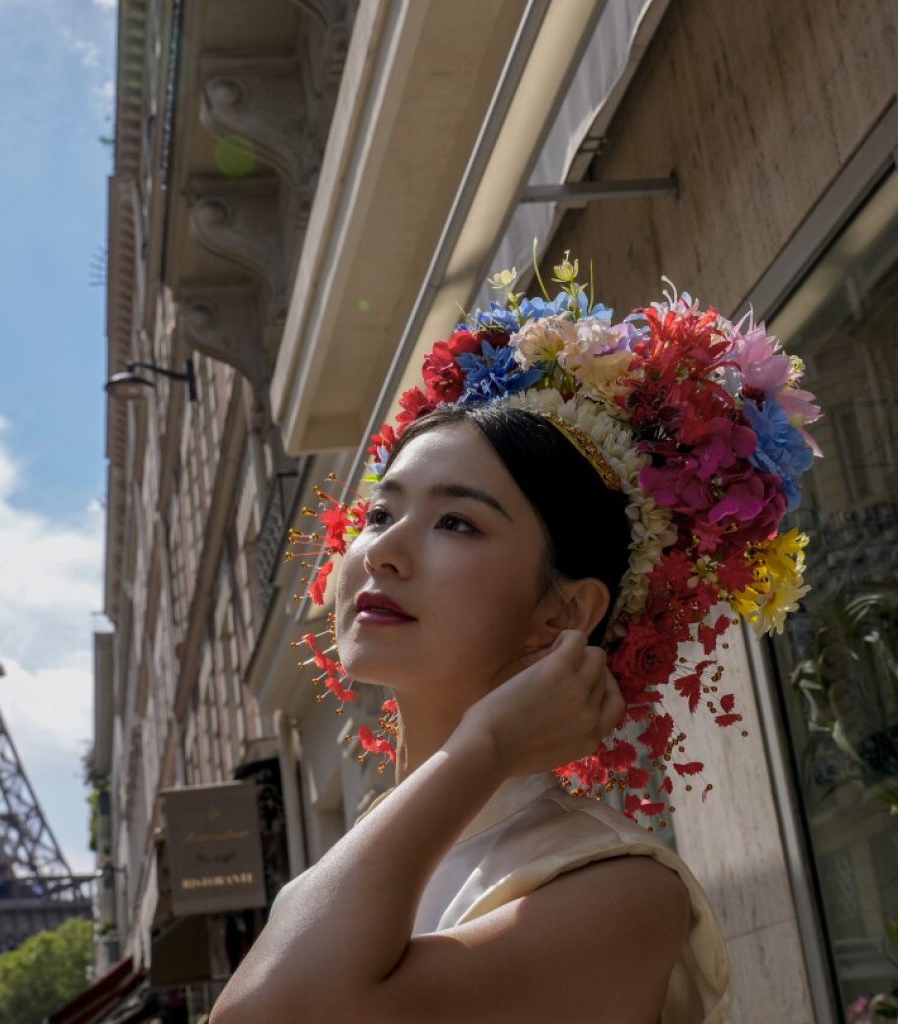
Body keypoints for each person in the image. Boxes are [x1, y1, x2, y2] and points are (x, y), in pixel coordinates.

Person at [209, 261, 819, 1023]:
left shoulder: (617, 892)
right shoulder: (384, 845)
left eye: (456, 522)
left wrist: (485, 748)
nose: (386, 553)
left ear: (562, 616)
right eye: (379, 515)